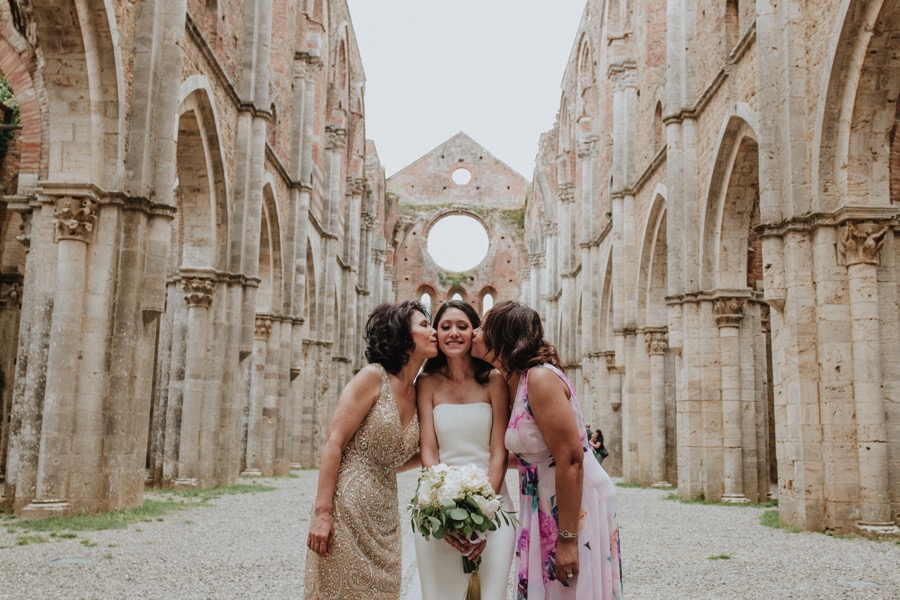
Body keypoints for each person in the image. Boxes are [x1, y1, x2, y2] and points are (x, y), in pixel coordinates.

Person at [472, 300, 623, 599]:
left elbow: (571, 459)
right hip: (543, 499)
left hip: (571, 504)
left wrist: (567, 540)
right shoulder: (514, 381)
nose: (475, 332)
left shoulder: (540, 378)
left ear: (501, 336)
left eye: (482, 326)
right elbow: (534, 454)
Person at [304, 301, 437, 600]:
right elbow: (334, 442)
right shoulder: (373, 377)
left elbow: (405, 456)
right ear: (403, 336)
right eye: (424, 325)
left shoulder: (420, 392)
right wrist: (322, 513)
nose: (434, 332)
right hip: (347, 508)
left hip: (386, 513)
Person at [414, 300, 515, 599]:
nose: (454, 333)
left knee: (490, 593)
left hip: (494, 507)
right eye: (446, 327)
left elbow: (499, 454)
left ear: (474, 332)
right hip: (437, 510)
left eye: (462, 326)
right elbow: (429, 453)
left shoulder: (494, 381)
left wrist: (481, 515)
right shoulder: (426, 382)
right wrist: (444, 511)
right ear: (437, 333)